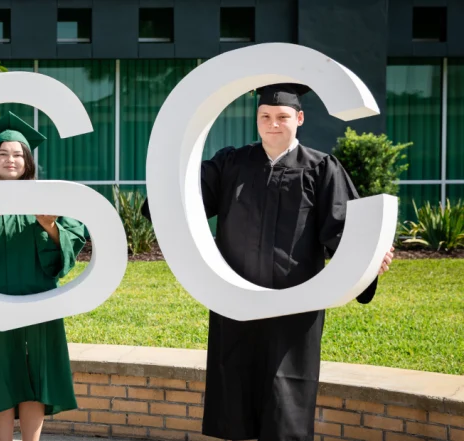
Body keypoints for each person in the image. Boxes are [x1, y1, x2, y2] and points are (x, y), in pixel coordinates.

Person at [141, 83, 395, 441]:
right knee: (235, 400)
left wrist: (368, 263)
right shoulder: (232, 163)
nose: (273, 124)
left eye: (282, 116)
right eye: (265, 116)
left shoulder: (321, 169)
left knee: (286, 404)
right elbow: (183, 197)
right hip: (236, 303)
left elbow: (342, 230)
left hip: (294, 307)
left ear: (299, 118)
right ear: (256, 118)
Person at [0, 111, 87, 441]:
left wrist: (50, 224)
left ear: (28, 162)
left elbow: (66, 256)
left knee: (34, 376)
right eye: (4, 153)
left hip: (39, 303)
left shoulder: (48, 199)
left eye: (19, 154)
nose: (12, 159)